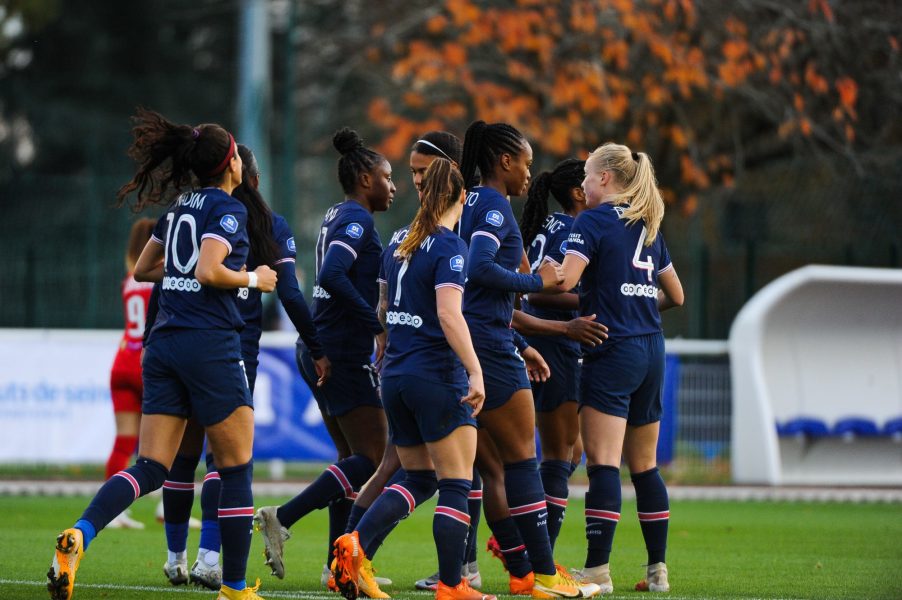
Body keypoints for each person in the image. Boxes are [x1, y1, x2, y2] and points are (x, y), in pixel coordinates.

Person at [47, 108, 276, 600]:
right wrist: (255, 278)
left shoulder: (178, 209)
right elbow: (210, 273)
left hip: (163, 344)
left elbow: (146, 269)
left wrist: (184, 269)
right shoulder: (226, 209)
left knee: (151, 465)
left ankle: (79, 536)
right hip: (209, 344)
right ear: (232, 162)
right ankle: (235, 588)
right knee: (234, 468)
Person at [158, 143, 330, 591]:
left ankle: (175, 557)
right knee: (228, 463)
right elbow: (290, 294)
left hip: (179, 341)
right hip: (232, 351)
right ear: (249, 176)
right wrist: (317, 345)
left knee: (180, 458)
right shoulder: (268, 226)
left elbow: (169, 276)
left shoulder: (193, 215)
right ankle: (211, 560)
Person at [333, 157, 491, 600]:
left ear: (424, 193)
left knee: (419, 478)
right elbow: (448, 314)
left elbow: (383, 308)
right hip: (436, 377)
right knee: (457, 482)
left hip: (397, 376)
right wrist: (476, 370)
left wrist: (388, 346)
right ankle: (452, 584)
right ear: (462, 197)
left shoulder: (399, 241)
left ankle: (353, 547)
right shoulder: (450, 248)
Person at [456, 120, 599, 599]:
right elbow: (479, 271)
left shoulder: (467, 200)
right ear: (504, 161)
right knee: (521, 463)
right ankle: (542, 575)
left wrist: (522, 341)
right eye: (525, 163)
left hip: (470, 341)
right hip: (489, 346)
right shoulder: (495, 205)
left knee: (477, 469)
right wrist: (538, 282)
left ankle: (519, 572)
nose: (527, 173)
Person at [539, 142, 684, 594]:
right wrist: (637, 305)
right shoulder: (648, 223)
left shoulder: (594, 220)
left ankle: (597, 570)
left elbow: (566, 280)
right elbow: (676, 296)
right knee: (644, 468)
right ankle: (657, 570)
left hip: (611, 348)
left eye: (586, 175)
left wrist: (520, 281)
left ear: (604, 178)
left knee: (603, 465)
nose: (581, 185)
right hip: (651, 349)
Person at [254, 128, 393, 596]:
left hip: (321, 346)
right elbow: (333, 273)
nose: (393, 186)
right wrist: (375, 324)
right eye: (387, 177)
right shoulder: (357, 218)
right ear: (364, 177)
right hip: (340, 352)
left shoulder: (340, 212)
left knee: (350, 460)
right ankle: (283, 517)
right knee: (373, 457)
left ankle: (336, 565)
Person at [518, 159, 589, 550]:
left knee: (573, 448)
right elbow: (538, 289)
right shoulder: (575, 229)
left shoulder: (551, 225)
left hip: (547, 340)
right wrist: (595, 299)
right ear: (579, 192)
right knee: (559, 454)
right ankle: (537, 557)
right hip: (555, 343)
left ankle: (529, 539)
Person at [104, 217, 156, 530]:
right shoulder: (158, 276)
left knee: (124, 441)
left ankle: (112, 512)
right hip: (148, 366)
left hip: (122, 361)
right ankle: (168, 507)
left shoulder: (128, 279)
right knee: (168, 441)